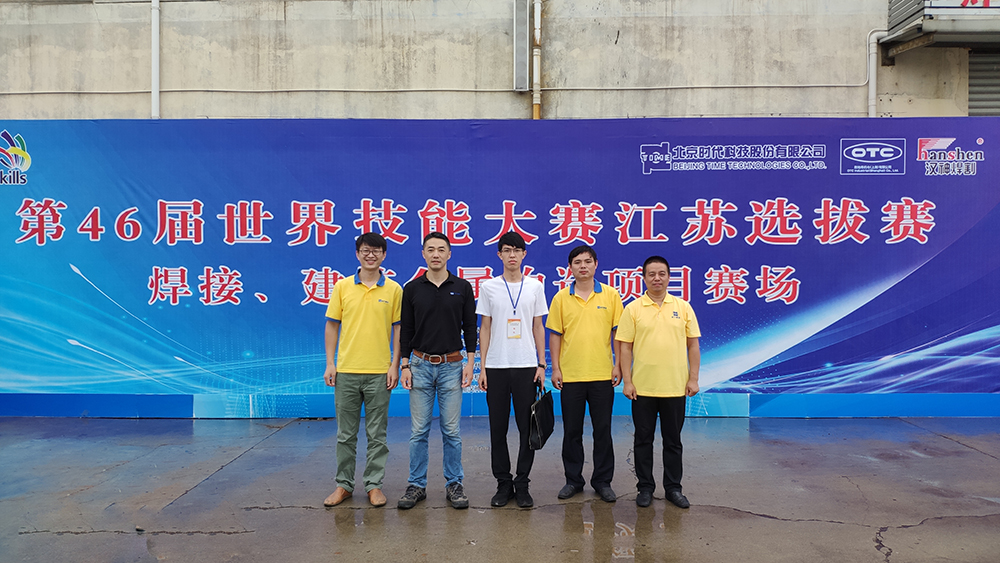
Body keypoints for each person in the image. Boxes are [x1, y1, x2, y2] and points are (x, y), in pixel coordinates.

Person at [398, 232, 477, 510]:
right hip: (419, 365)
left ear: (449, 254)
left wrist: (470, 363)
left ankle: (454, 484)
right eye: (430, 249)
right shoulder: (412, 288)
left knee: (451, 431)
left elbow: (470, 327)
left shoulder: (463, 287)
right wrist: (405, 364)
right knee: (418, 431)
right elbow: (406, 329)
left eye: (441, 249)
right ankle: (416, 485)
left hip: (452, 366)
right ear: (423, 254)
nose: (436, 254)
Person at [322, 232, 402, 508]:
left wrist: (394, 365)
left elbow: (399, 329)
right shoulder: (343, 287)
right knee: (345, 434)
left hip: (380, 372)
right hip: (346, 371)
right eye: (366, 250)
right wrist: (330, 363)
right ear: (357, 254)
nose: (371, 255)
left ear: (384, 255)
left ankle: (374, 485)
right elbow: (332, 325)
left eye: (376, 250)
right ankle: (343, 485)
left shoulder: (394, 289)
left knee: (377, 435)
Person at [616, 255, 701, 509]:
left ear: (669, 277)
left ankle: (674, 488)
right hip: (642, 389)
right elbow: (625, 347)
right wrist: (627, 381)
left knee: (673, 441)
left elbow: (693, 345)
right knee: (643, 440)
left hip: (675, 387)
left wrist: (693, 378)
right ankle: (645, 488)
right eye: (651, 274)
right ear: (643, 278)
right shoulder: (633, 309)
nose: (657, 278)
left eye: (661, 273)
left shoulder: (683, 307)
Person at [546, 244, 623, 503]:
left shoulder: (611, 295)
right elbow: (555, 335)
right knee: (572, 431)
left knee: (603, 430)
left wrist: (618, 365)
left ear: (596, 264)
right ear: (570, 267)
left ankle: (602, 481)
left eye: (587, 261)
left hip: (602, 375)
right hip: (571, 376)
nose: (583, 266)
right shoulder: (561, 298)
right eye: (577, 262)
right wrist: (556, 368)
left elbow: (618, 334)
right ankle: (573, 480)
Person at [477, 231, 548, 508]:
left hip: (526, 366)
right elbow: (485, 327)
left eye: (517, 250)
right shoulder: (488, 287)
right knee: (498, 429)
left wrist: (541, 364)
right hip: (496, 366)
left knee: (526, 429)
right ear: (499, 255)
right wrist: (483, 368)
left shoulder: (535, 286)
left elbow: (538, 326)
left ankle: (522, 483)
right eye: (507, 250)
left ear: (524, 254)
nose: (512, 255)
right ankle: (503, 484)